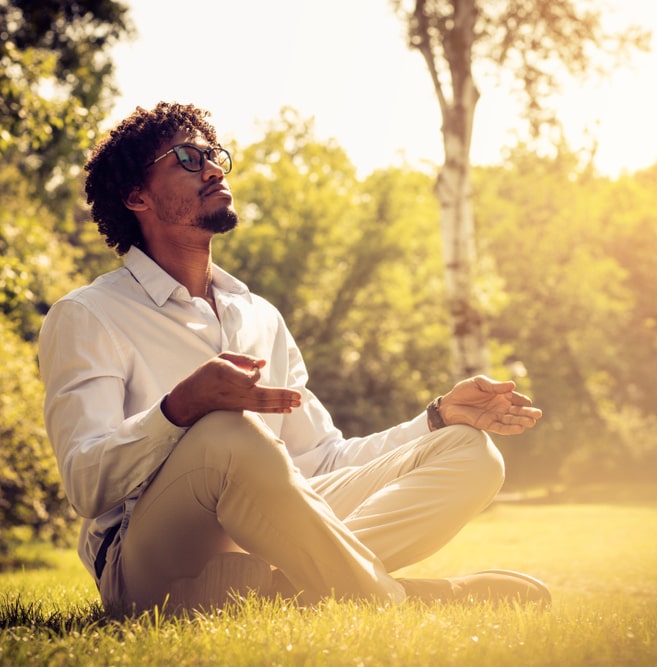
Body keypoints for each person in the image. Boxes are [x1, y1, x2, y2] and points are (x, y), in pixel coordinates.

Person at [38, 102, 550, 617]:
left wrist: (436, 418)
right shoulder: (89, 314)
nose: (213, 168)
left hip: (268, 538)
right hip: (145, 563)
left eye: (214, 155)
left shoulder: (260, 316)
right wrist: (180, 408)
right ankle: (393, 602)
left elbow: (320, 462)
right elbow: (85, 484)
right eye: (188, 158)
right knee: (225, 432)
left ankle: (287, 591)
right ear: (137, 196)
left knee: (470, 451)